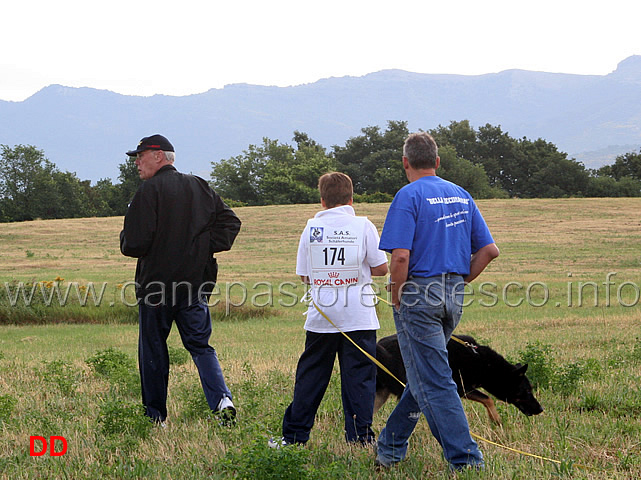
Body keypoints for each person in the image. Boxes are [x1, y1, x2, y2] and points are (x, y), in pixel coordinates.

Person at [375, 133, 499, 472]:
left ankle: (467, 461)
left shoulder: (407, 196)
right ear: (438, 162)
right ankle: (388, 448)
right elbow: (489, 251)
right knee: (422, 376)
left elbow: (400, 256)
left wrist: (397, 293)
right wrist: (460, 281)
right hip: (452, 298)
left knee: (437, 380)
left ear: (405, 163)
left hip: (419, 296)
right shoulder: (461, 194)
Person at [120, 134, 241, 426]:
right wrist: (200, 247)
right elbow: (231, 223)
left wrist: (127, 237)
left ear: (159, 156)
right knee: (201, 347)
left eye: (141, 155)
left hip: (155, 290)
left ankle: (156, 417)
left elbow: (133, 244)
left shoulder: (148, 192)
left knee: (153, 350)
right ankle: (222, 400)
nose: (137, 162)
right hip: (194, 287)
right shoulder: (199, 186)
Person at [274, 172, 388, 446]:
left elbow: (304, 276)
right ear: (352, 198)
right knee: (359, 378)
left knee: (311, 376)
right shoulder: (364, 225)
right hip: (358, 316)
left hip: (321, 318)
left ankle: (294, 437)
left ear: (322, 200)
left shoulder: (311, 227)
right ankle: (360, 438)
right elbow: (382, 268)